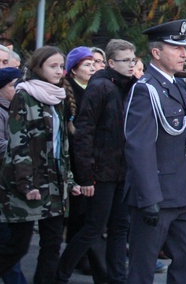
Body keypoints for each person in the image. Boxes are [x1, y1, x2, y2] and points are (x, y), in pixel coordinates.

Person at [123, 19, 186, 283]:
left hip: (182, 196)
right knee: (142, 268)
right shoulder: (146, 90)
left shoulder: (178, 86)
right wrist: (148, 196)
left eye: (184, 47)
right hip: (155, 197)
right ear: (156, 52)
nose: (184, 53)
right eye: (176, 48)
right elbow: (139, 148)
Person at [55, 39, 139, 284]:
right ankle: (59, 275)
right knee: (92, 229)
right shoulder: (100, 87)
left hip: (123, 171)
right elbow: (84, 132)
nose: (131, 65)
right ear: (111, 63)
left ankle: (116, 279)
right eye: (126, 61)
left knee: (119, 228)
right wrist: (85, 175)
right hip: (100, 172)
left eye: (133, 60)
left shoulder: (131, 86)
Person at [0, 46, 82, 283]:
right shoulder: (24, 95)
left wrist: (69, 180)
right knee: (18, 245)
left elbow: (61, 144)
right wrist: (26, 184)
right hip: (28, 182)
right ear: (39, 67)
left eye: (60, 66)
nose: (59, 71)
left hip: (54, 183)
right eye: (52, 66)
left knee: (52, 245)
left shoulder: (58, 96)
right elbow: (18, 142)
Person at [62, 47, 107, 281]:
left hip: (92, 158)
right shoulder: (69, 91)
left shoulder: (96, 88)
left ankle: (88, 260)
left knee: (89, 217)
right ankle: (75, 260)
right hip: (77, 157)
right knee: (80, 216)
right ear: (74, 69)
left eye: (96, 64)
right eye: (88, 64)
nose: (93, 68)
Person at [0, 68, 27, 284]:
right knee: (8, 240)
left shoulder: (20, 108)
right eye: (12, 86)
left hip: (12, 184)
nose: (17, 90)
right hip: (4, 184)